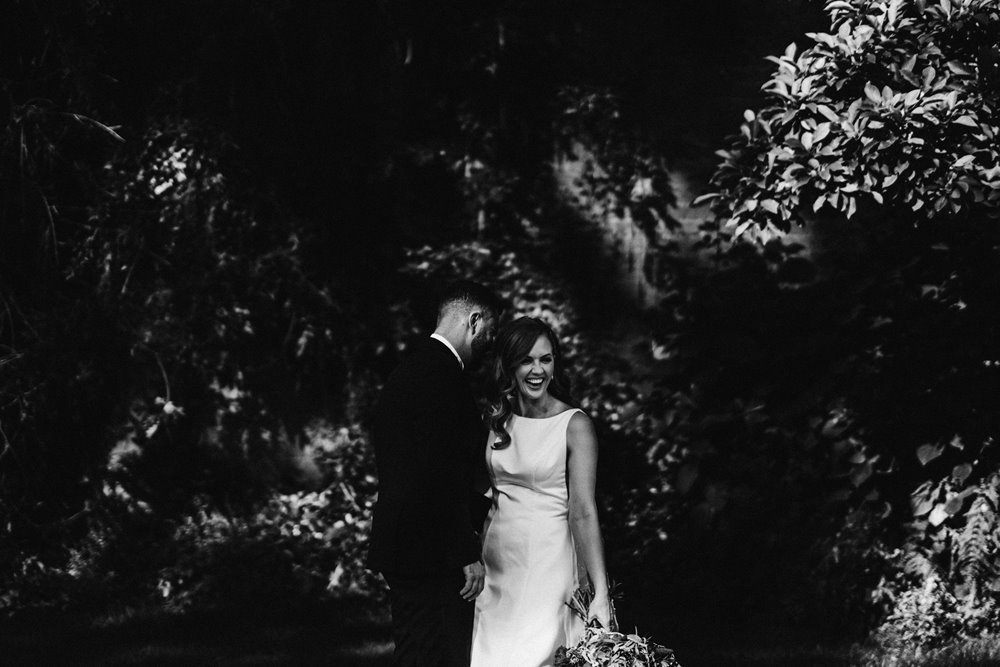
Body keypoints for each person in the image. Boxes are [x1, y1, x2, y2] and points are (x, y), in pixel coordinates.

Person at [368, 280, 502, 667]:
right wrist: (464, 550)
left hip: (410, 540)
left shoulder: (418, 366)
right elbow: (437, 475)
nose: (489, 343)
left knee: (419, 651)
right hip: (428, 547)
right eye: (490, 332)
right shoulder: (439, 377)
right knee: (434, 654)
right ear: (474, 322)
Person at [471, 317, 614, 667]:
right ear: (510, 366)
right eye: (526, 360)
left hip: (549, 564)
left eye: (546, 359)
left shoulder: (574, 425)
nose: (537, 370)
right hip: (496, 565)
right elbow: (484, 494)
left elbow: (582, 509)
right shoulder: (496, 420)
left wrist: (600, 591)